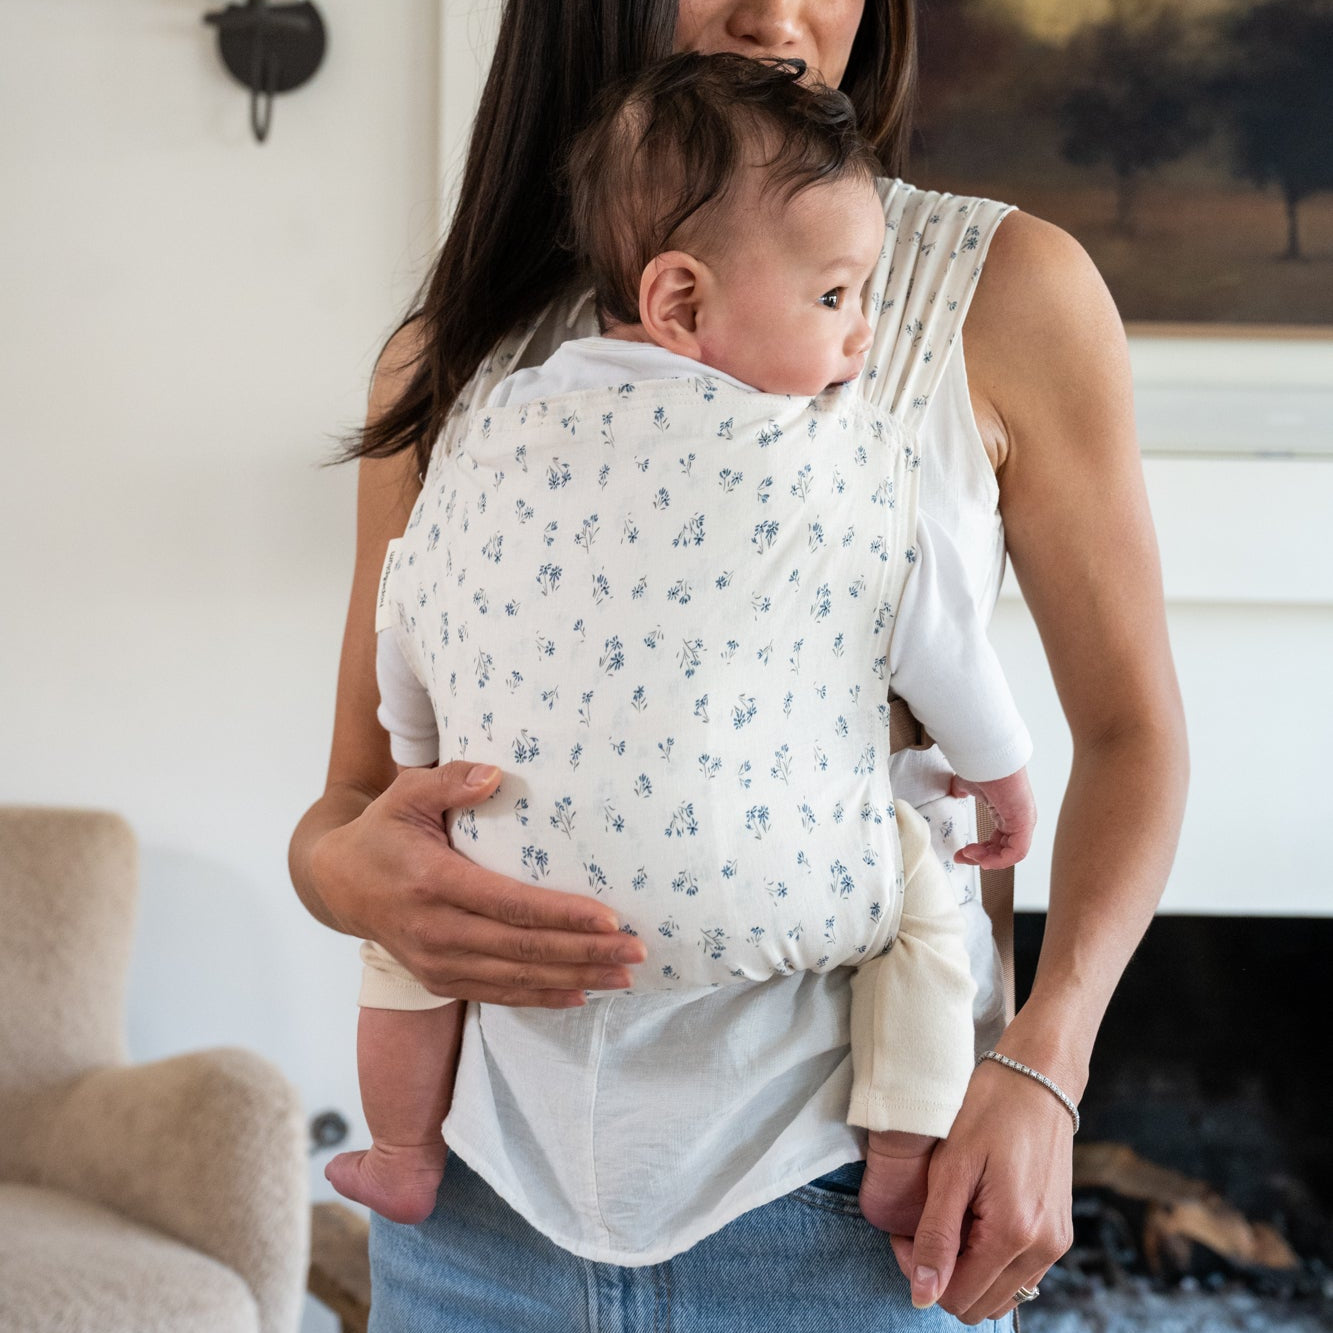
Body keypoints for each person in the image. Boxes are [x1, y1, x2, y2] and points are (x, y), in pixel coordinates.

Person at [290, 2, 1188, 1326]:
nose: (774, 13)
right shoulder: (456, 358)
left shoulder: (996, 291)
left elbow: (1131, 735)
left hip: (844, 1220)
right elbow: (349, 801)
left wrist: (1044, 1063)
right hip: (481, 1219)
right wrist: (351, 877)